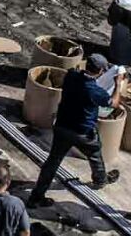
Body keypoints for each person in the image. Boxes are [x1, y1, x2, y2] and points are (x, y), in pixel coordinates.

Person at [26, 53, 122, 207]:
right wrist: (118, 84)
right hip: (82, 132)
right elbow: (114, 103)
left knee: (53, 161)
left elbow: (74, 71)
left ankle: (36, 196)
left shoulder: (71, 76)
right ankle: (100, 179)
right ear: (101, 71)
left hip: (62, 126)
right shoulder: (94, 91)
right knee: (95, 153)